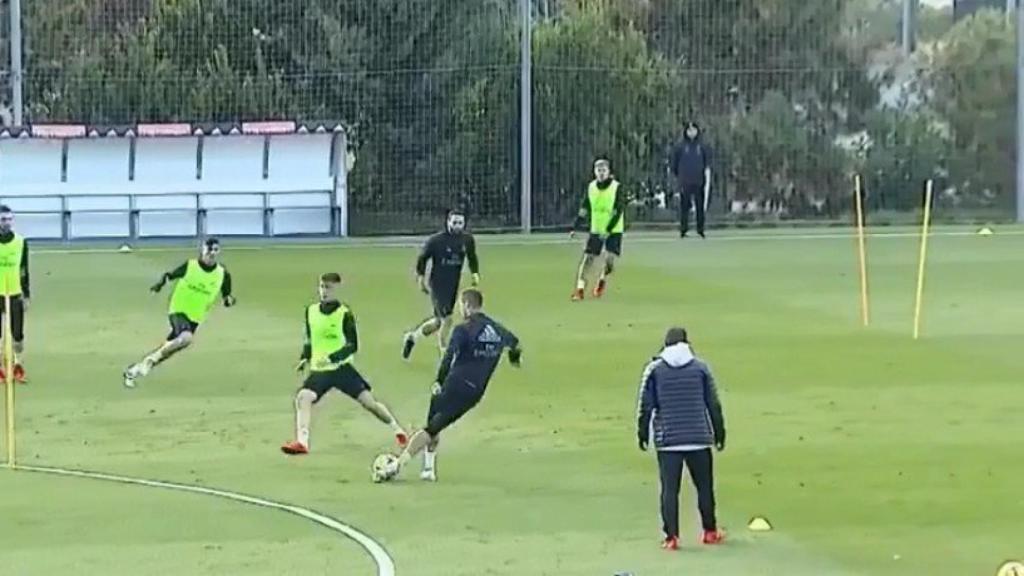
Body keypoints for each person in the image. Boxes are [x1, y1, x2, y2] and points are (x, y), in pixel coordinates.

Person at [385, 289, 520, 482]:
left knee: (431, 427)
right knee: (434, 424)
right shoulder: (498, 330)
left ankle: (398, 465)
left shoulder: (462, 330)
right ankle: (428, 469)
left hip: (455, 384)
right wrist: (514, 359)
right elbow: (515, 344)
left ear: (466, 305)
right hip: (475, 392)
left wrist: (439, 381)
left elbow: (449, 357)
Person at [282, 272, 407, 455]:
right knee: (303, 397)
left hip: (342, 369)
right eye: (322, 287)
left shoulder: (344, 314)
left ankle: (398, 430)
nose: (324, 292)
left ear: (337, 289)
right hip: (320, 371)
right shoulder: (311, 311)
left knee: (369, 403)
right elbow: (310, 338)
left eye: (329, 288)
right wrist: (305, 357)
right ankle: (302, 442)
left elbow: (353, 345)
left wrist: (333, 357)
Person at [637, 327, 727, 550]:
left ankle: (671, 537)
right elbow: (713, 404)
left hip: (668, 439)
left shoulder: (655, 369)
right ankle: (710, 531)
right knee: (704, 486)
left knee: (670, 489)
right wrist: (719, 432)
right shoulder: (700, 367)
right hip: (698, 436)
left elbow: (645, 405)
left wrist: (642, 432)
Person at [123, 238, 235, 388]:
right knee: (186, 338)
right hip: (178, 309)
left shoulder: (223, 274)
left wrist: (229, 301)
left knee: (170, 349)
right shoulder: (191, 266)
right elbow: (169, 275)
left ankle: (134, 370)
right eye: (209, 250)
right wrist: (159, 285)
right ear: (203, 250)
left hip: (195, 317)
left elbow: (227, 296)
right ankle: (150, 361)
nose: (212, 254)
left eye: (215, 250)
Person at [402, 209, 479, 359]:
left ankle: (412, 337)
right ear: (448, 222)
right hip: (437, 284)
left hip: (453, 284)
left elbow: (472, 257)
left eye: (460, 223)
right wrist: (420, 279)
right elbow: (422, 258)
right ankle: (444, 353)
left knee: (438, 322)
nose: (457, 226)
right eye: (454, 222)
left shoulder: (467, 240)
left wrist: (475, 273)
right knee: (447, 320)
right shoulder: (437, 241)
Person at [569, 158, 625, 301]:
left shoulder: (616, 187)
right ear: (594, 172)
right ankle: (580, 289)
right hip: (596, 229)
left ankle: (602, 280)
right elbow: (584, 207)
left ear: (608, 172)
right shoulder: (591, 187)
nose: (601, 173)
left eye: (603, 170)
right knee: (587, 259)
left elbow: (618, 210)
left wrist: (609, 228)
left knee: (609, 261)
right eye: (598, 171)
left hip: (613, 230)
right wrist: (575, 226)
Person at [0, 205, 30, 383]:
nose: (7, 223)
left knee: (17, 334)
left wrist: (26, 294)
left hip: (15, 292)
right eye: (3, 219)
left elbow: (24, 269)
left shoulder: (20, 242)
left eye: (9, 219)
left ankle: (17, 364)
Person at [670, 122, 713, 238]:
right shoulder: (680, 147)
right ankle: (684, 230)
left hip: (699, 182)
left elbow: (707, 163)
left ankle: (700, 230)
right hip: (685, 182)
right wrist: (679, 177)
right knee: (684, 206)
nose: (691, 132)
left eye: (693, 130)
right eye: (689, 130)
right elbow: (674, 164)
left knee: (699, 206)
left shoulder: (702, 147)